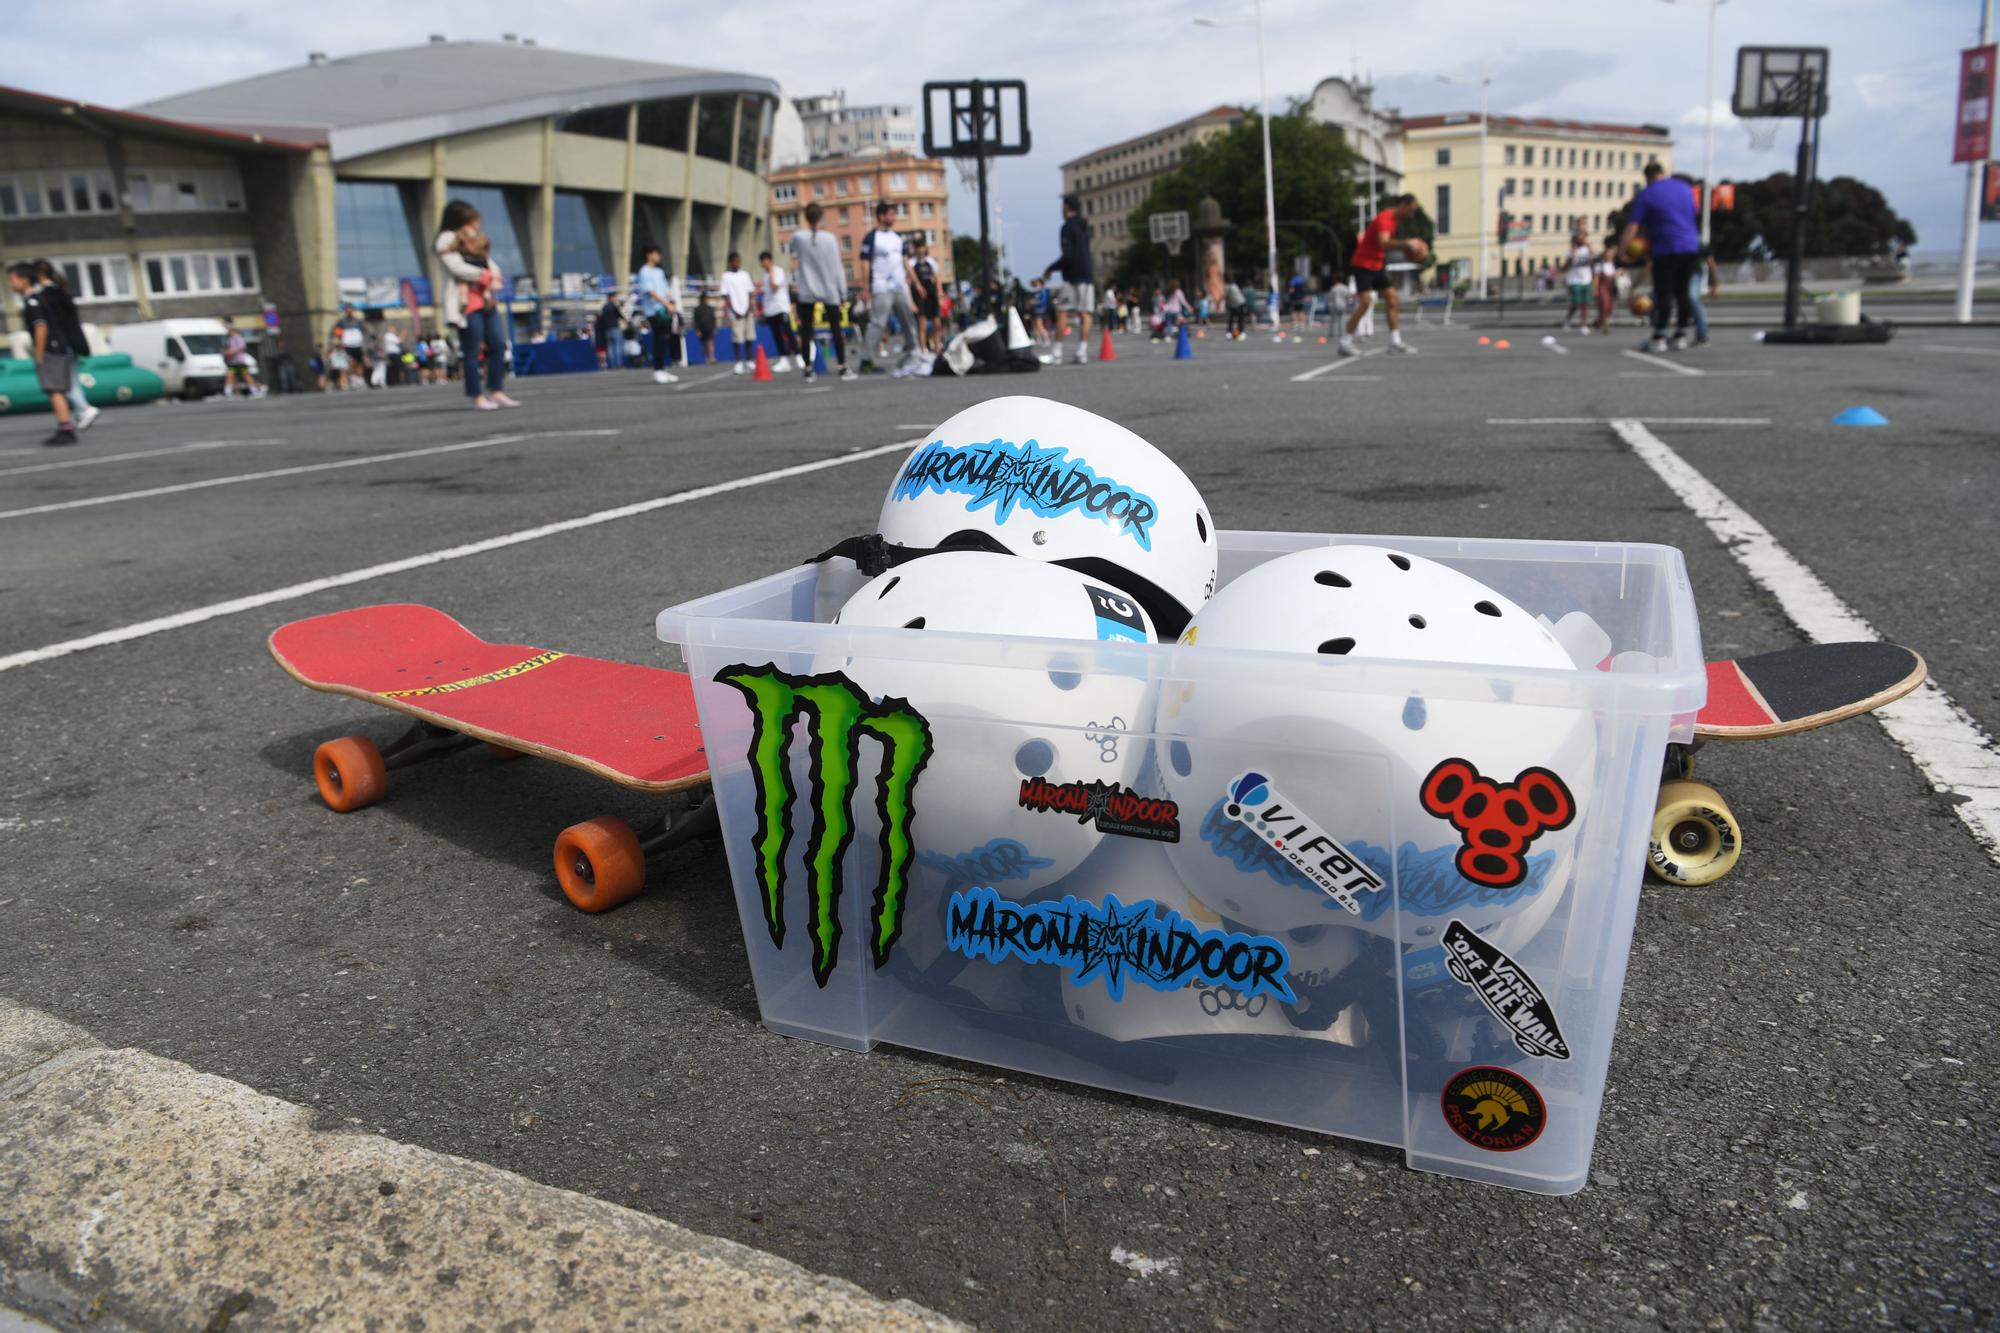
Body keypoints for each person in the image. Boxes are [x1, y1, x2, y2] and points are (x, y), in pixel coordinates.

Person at [434, 198, 519, 410]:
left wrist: (492, 277)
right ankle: (477, 395)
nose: (477, 225)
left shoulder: (475, 238)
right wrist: (484, 276)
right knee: (472, 351)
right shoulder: (447, 239)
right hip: (466, 302)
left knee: (498, 344)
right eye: (472, 221)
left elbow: (490, 264)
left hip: (486, 299)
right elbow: (457, 267)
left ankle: (496, 390)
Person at [1620, 162, 1701, 352]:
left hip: (1666, 247)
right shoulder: (1685, 189)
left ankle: (1660, 336)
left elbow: (1633, 226)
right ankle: (1681, 335)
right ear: (1663, 173)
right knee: (1683, 293)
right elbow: (1694, 213)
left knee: (1664, 293)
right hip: (1690, 245)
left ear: (1647, 177)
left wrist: (1623, 252)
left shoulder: (1646, 195)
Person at [1339, 193, 1419, 356]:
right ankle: (1345, 342)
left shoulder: (1394, 220)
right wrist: (1407, 243)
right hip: (1363, 264)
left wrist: (1407, 248)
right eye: (1411, 210)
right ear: (1403, 205)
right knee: (1365, 303)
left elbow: (1382, 245)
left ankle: (1395, 341)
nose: (1412, 214)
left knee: (1392, 299)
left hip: (1377, 264)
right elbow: (1384, 242)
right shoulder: (1385, 218)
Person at [31, 261, 99, 430]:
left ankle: (85, 408)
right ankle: (80, 412)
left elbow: (47, 325)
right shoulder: (62, 292)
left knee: (64, 381)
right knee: (71, 378)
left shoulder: (45, 297)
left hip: (61, 344)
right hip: (74, 342)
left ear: (39, 275)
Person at [790, 201, 853, 382]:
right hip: (829, 288)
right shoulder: (830, 238)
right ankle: (842, 365)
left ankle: (808, 368)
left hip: (806, 289)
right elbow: (837, 266)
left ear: (806, 217)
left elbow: (793, 245)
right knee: (835, 329)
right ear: (821, 217)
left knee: (806, 330)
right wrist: (843, 291)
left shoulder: (799, 237)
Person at [857, 201, 921, 375]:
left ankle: (914, 355)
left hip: (899, 286)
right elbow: (865, 264)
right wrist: (865, 288)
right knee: (877, 323)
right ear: (881, 216)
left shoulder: (897, 237)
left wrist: (916, 282)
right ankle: (867, 360)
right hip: (881, 286)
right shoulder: (872, 237)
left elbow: (905, 261)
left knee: (909, 321)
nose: (893, 217)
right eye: (891, 214)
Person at [1041, 194, 1095, 365]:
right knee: (1085, 313)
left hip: (1072, 276)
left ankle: (1057, 352)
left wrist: (1051, 268)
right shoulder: (1084, 226)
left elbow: (1068, 255)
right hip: (1087, 273)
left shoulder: (1067, 227)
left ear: (1066, 207)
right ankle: (1082, 351)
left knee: (1063, 312)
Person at [635, 244, 680, 383]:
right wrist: (666, 304)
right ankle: (657, 370)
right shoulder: (644, 271)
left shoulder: (659, 272)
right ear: (648, 254)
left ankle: (662, 368)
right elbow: (650, 291)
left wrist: (671, 303)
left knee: (665, 338)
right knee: (659, 339)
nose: (658, 256)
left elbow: (665, 290)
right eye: (656, 253)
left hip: (664, 309)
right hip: (653, 310)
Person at [757, 250, 798, 372]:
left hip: (781, 307)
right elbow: (766, 293)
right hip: (770, 310)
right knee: (777, 336)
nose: (764, 264)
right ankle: (784, 359)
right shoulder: (764, 276)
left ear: (770, 261)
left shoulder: (778, 271)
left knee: (788, 332)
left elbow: (775, 286)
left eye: (765, 261)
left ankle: (799, 356)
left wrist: (771, 273)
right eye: (762, 262)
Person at [719, 252, 757, 374]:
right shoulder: (726, 276)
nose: (737, 263)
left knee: (749, 336)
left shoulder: (745, 275)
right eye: (735, 261)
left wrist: (749, 308)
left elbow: (750, 292)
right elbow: (725, 294)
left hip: (747, 311)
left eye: (739, 260)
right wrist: (734, 310)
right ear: (730, 262)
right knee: (737, 337)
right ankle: (738, 362)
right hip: (734, 313)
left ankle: (750, 360)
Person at [908, 238, 943, 354]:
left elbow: (937, 279)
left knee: (937, 323)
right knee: (922, 324)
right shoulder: (912, 263)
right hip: (919, 296)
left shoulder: (931, 261)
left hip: (931, 294)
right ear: (915, 249)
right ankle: (923, 349)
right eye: (919, 248)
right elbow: (908, 283)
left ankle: (937, 346)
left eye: (923, 247)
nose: (921, 250)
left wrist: (940, 293)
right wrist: (911, 302)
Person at [1563, 229, 1596, 334]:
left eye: (1583, 237)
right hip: (1574, 280)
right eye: (1580, 237)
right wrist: (1572, 255)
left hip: (1586, 279)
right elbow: (1565, 267)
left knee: (1585, 303)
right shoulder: (1571, 250)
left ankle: (1584, 324)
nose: (1582, 239)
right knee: (1576, 303)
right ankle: (1567, 320)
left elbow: (1593, 261)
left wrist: (1590, 249)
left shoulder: (1587, 250)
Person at [1688, 245, 1719, 348]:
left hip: (1692, 272)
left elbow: (1711, 263)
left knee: (1692, 298)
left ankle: (1702, 336)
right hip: (1671, 271)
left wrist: (1714, 284)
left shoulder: (1695, 239)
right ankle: (1660, 334)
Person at [223, 324, 264, 396]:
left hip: (240, 361)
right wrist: (227, 352)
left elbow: (242, 347)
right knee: (230, 375)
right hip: (232, 361)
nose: (228, 332)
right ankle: (227, 391)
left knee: (246, 375)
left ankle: (254, 390)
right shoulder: (229, 339)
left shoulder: (238, 338)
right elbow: (227, 348)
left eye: (229, 331)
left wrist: (232, 351)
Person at [595, 292, 625, 370]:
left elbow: (602, 319)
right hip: (614, 328)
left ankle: (613, 364)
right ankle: (619, 364)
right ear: (611, 298)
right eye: (614, 297)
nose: (615, 299)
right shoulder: (613, 306)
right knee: (617, 346)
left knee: (610, 347)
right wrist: (625, 320)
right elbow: (619, 315)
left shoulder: (604, 307)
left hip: (607, 329)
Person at [1593, 243, 1618, 335]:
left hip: (1612, 287)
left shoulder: (1614, 264)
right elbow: (1596, 278)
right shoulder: (1600, 265)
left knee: (1610, 307)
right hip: (1603, 287)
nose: (1609, 255)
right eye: (1607, 253)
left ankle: (1598, 321)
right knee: (1604, 306)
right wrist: (1595, 290)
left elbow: (1615, 276)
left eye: (1611, 253)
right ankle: (1606, 327)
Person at [692, 292, 718, 366]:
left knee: (711, 343)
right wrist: (697, 330)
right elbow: (695, 320)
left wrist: (714, 328)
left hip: (709, 327)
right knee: (704, 344)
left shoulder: (710, 308)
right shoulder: (697, 309)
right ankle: (707, 358)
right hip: (702, 328)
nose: (706, 300)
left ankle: (712, 357)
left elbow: (713, 319)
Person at [1224, 276, 1249, 341]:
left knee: (1232, 319)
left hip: (1238, 304)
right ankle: (1241, 332)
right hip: (1239, 303)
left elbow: (1225, 296)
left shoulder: (1228, 287)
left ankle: (1231, 333)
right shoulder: (1235, 286)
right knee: (1239, 319)